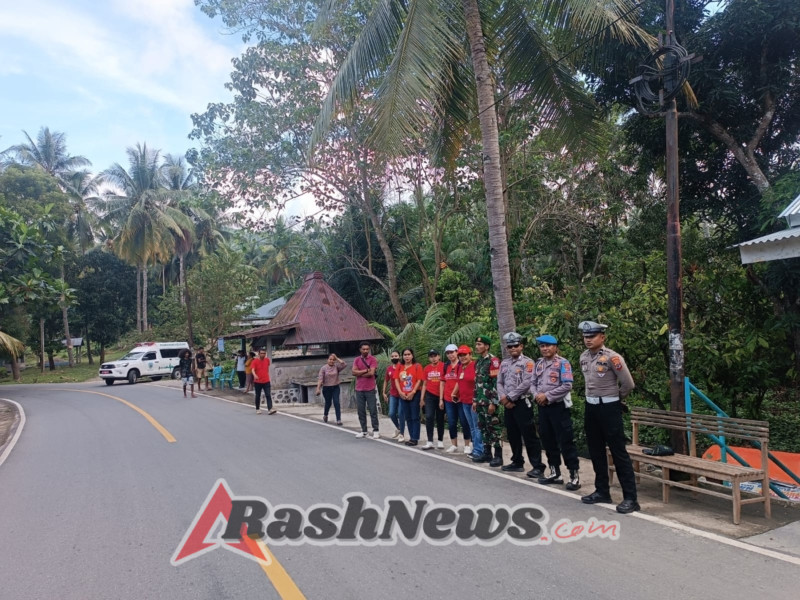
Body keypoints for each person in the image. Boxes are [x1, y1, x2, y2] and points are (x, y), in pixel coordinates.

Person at [578, 320, 639, 514]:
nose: (588, 340)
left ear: (602, 337)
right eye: (586, 336)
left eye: (592, 336)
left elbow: (628, 384)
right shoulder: (584, 357)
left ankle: (631, 498)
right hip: (591, 407)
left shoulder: (613, 358)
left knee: (618, 452)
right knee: (595, 451)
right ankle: (602, 491)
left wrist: (614, 399)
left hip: (609, 407)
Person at [531, 334, 580, 490]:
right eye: (542, 346)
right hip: (543, 407)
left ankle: (574, 476)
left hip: (558, 407)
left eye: (548, 346)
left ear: (555, 347)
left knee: (566, 441)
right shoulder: (538, 364)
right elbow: (532, 383)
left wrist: (547, 396)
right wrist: (537, 395)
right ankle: (555, 472)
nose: (545, 349)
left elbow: (567, 385)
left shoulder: (562, 363)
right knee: (547, 439)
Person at [497, 332, 545, 475]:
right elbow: (499, 382)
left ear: (521, 346)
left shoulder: (528, 363)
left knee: (529, 435)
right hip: (507, 404)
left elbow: (527, 383)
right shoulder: (504, 363)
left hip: (522, 402)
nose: (513, 348)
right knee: (512, 434)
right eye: (510, 346)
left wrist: (510, 397)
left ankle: (537, 466)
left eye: (516, 345)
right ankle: (517, 461)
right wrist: (503, 398)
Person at [471, 335, 502, 466]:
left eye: (480, 345)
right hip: (480, 401)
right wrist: (474, 400)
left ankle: (498, 456)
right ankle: (487, 453)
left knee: (494, 427)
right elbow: (476, 383)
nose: (477, 347)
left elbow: (496, 382)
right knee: (483, 427)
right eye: (476, 345)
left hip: (489, 401)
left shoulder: (493, 361)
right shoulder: (478, 362)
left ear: (487, 346)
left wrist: (493, 402)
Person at [450, 345, 482, 457]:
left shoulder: (475, 365)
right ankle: (476, 449)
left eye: (465, 355)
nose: (462, 357)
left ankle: (479, 450)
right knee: (472, 426)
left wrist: (476, 399)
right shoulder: (460, 367)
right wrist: (454, 393)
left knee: (477, 427)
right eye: (460, 355)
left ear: (470, 355)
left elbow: (479, 383)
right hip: (464, 401)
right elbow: (459, 382)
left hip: (474, 401)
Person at [442, 344, 471, 453]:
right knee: (451, 422)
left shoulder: (461, 365)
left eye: (452, 352)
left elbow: (462, 381)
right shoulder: (446, 366)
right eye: (448, 353)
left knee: (464, 421)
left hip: (461, 398)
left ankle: (467, 445)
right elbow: (442, 382)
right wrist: (441, 398)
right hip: (448, 399)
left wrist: (457, 393)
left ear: (456, 352)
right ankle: (454, 444)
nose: (450, 355)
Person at [394, 347, 424, 446]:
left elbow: (419, 380)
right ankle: (411, 437)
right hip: (403, 395)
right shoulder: (399, 366)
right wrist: (400, 392)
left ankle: (415, 438)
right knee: (408, 417)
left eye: (408, 354)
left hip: (414, 394)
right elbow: (396, 380)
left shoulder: (417, 366)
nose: (407, 356)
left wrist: (413, 392)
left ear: (412, 355)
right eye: (405, 355)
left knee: (415, 416)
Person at [352, 341, 380, 439]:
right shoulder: (356, 360)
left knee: (372, 410)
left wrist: (360, 373)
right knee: (361, 411)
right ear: (360, 349)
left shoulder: (373, 359)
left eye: (367, 349)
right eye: (363, 349)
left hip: (370, 388)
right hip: (359, 389)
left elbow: (371, 373)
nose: (365, 351)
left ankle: (376, 430)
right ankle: (364, 431)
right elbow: (353, 372)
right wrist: (365, 371)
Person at [421, 349, 446, 450]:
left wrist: (442, 398)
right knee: (429, 417)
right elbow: (424, 384)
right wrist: (422, 398)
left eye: (435, 356)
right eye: (431, 356)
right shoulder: (427, 368)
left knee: (440, 418)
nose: (433, 358)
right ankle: (429, 441)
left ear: (439, 356)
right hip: (430, 396)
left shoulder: (444, 366)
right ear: (429, 358)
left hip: (441, 396)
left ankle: (440, 440)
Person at [315, 353, 346, 425]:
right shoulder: (323, 368)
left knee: (336, 402)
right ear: (327, 360)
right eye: (330, 359)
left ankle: (338, 419)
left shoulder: (336, 367)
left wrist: (337, 357)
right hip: (327, 388)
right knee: (328, 403)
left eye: (333, 360)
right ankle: (325, 415)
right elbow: (320, 379)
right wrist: (318, 389)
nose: (331, 361)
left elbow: (344, 364)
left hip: (335, 387)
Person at [383, 350, 406, 441]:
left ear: (399, 356)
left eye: (396, 356)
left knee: (401, 414)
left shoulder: (403, 367)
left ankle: (402, 434)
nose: (394, 358)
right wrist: (384, 392)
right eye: (392, 356)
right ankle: (399, 428)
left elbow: (405, 380)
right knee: (391, 413)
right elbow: (386, 380)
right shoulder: (389, 369)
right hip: (393, 394)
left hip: (402, 394)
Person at [251, 348, 277, 415]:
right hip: (258, 381)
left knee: (268, 395)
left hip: (266, 380)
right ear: (259, 354)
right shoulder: (255, 361)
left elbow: (266, 368)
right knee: (258, 395)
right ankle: (257, 409)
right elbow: (252, 370)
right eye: (262, 353)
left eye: (264, 353)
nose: (263, 355)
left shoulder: (267, 360)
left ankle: (270, 409)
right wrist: (255, 375)